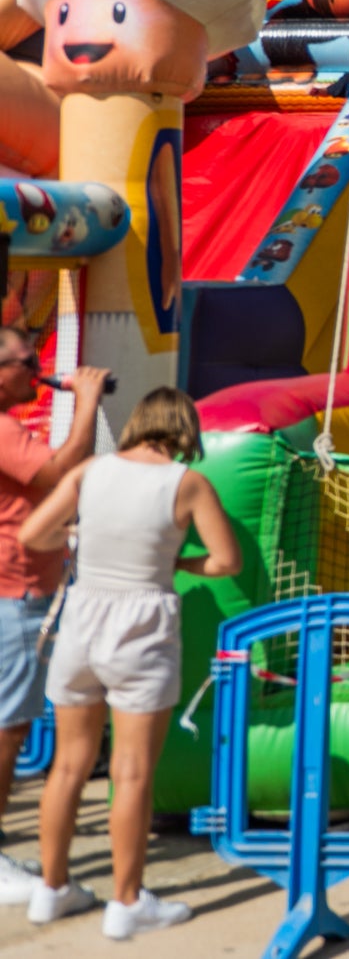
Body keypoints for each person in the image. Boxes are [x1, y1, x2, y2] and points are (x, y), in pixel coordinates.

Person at [26, 386, 239, 935]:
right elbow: (225, 560)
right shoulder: (186, 483)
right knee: (133, 770)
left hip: (83, 619)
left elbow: (34, 533)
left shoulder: (91, 472)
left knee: (69, 765)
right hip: (142, 627)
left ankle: (51, 890)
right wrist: (178, 561)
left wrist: (80, 535)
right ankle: (126, 902)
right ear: (184, 430)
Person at [0, 347, 105, 901]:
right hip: (13, 594)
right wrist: (86, 402)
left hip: (19, 593)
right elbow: (63, 473)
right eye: (23, 357)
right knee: (8, 726)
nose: (35, 368)